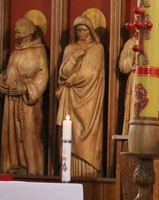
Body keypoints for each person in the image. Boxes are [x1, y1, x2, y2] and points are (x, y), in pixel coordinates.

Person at [56, 14, 105, 177]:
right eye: (78, 30)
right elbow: (62, 73)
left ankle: (88, 170)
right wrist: (74, 58)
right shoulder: (70, 49)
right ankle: (67, 171)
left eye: (84, 30)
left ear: (90, 30)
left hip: (89, 97)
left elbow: (93, 73)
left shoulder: (98, 48)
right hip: (70, 97)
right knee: (69, 133)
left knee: (86, 134)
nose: (81, 34)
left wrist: (73, 79)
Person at [0, 17, 48, 175]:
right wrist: (3, 81)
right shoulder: (15, 52)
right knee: (11, 137)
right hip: (11, 99)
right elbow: (10, 72)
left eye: (19, 27)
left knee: (29, 135)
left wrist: (26, 88)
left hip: (28, 102)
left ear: (29, 30)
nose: (16, 30)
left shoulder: (39, 50)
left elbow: (42, 76)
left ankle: (32, 170)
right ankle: (14, 165)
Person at [119, 30, 159, 134]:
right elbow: (122, 67)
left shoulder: (158, 43)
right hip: (134, 80)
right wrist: (132, 59)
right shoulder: (129, 43)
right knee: (134, 112)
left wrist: (151, 60)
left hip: (152, 80)